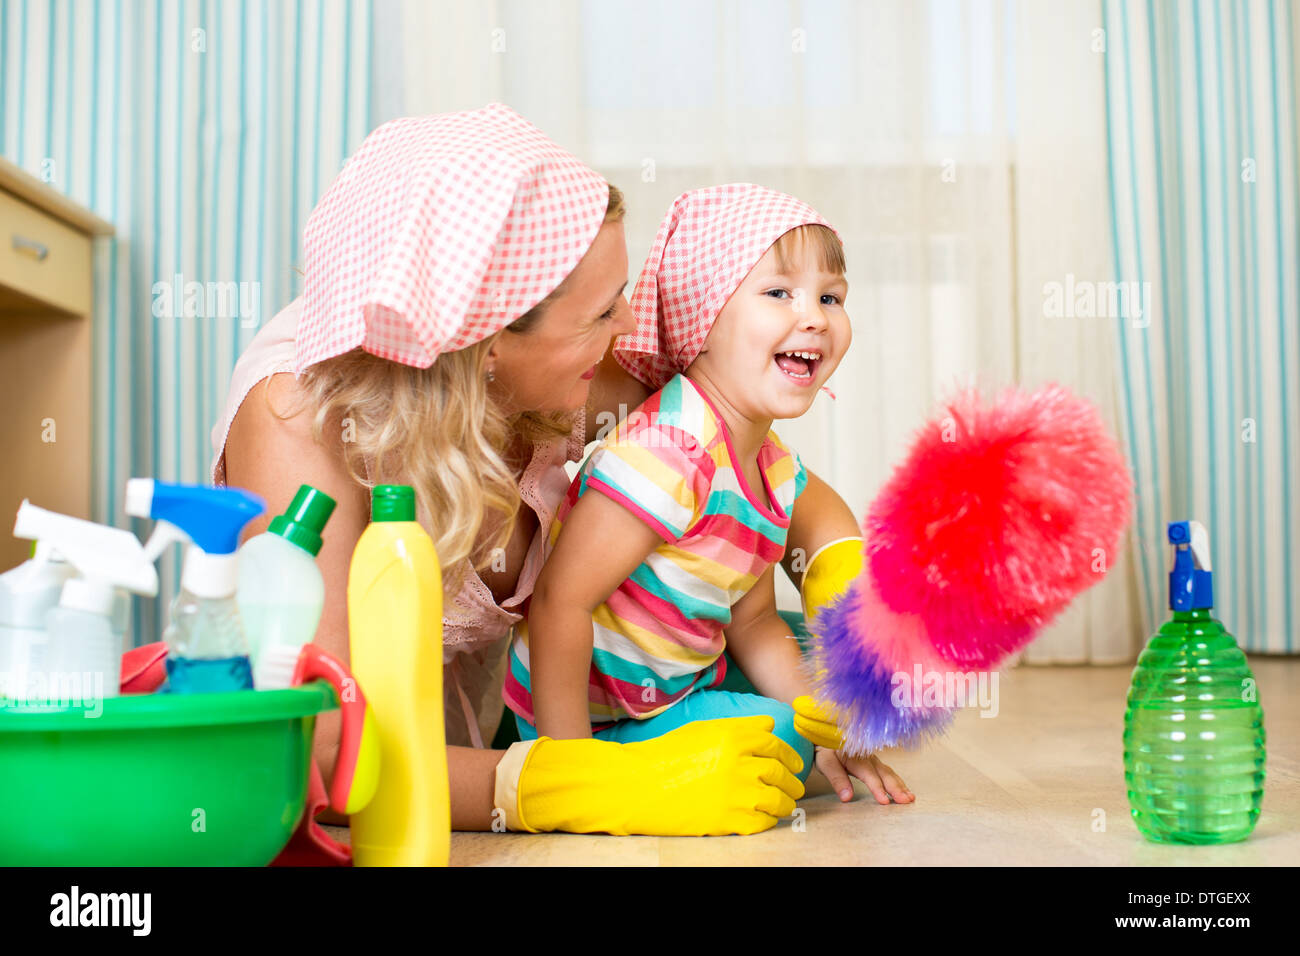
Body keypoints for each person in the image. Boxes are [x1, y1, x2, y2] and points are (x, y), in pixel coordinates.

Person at [213, 105, 876, 838]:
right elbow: (325, 752)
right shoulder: (295, 426)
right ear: (487, 343)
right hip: (428, 752)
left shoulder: (577, 362)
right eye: (601, 313)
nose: (631, 327)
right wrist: (582, 786)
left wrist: (834, 568)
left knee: (806, 661)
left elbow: (751, 455)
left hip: (552, 693)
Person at [506, 184, 914, 804]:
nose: (815, 316)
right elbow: (560, 604)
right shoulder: (669, 451)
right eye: (779, 293)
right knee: (775, 741)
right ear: (705, 314)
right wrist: (571, 770)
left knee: (822, 676)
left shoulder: (770, 471)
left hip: (676, 678)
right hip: (594, 713)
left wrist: (823, 717)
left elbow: (752, 620)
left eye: (831, 297)